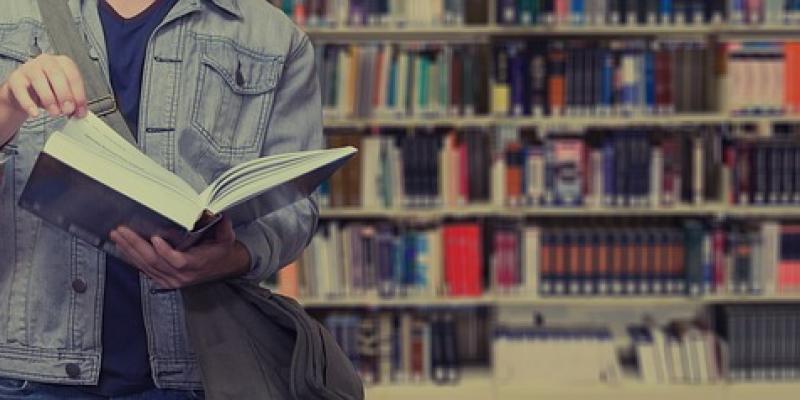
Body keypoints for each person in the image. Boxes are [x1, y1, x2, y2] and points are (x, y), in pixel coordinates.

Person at [0, 0, 321, 398]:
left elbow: (294, 206)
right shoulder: (9, 16)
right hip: (25, 374)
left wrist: (233, 257)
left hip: (192, 373)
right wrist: (6, 107)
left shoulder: (274, 38)